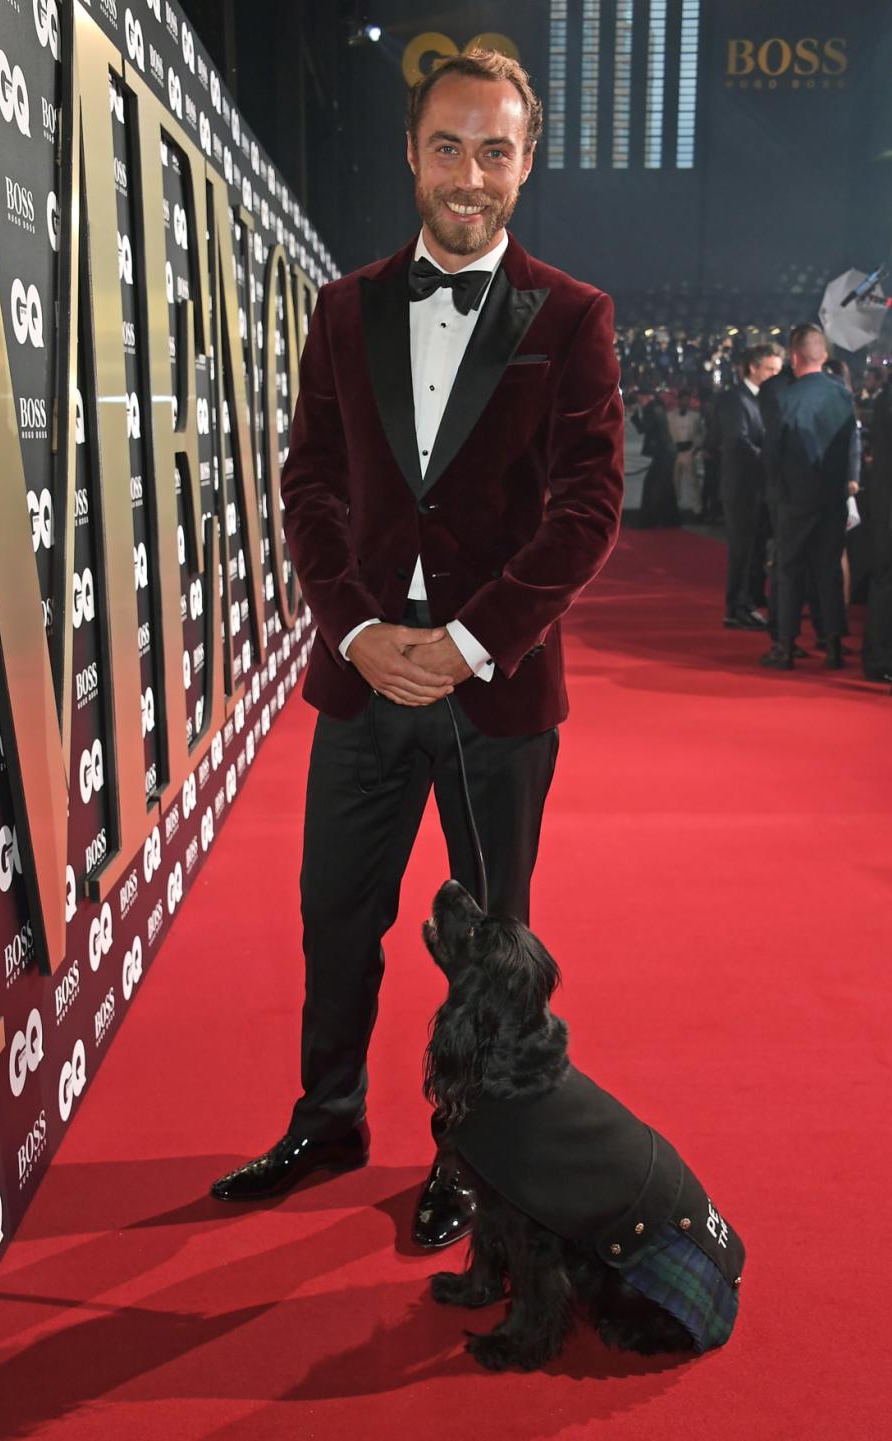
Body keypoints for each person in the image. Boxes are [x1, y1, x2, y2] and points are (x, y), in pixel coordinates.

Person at [209, 50, 624, 1248]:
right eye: (448, 146)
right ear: (411, 153)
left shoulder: (576, 316)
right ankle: (328, 1116)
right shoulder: (343, 309)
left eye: (495, 150)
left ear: (526, 162)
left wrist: (464, 643)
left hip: (496, 692)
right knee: (336, 914)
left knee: (493, 944)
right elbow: (313, 485)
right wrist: (357, 627)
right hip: (360, 679)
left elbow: (586, 511)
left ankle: (474, 1153)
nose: (469, 174)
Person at [760, 325, 855, 670]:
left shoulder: (786, 397)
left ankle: (784, 646)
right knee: (828, 569)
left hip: (794, 498)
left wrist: (777, 490)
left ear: (794, 356)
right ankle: (832, 645)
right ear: (824, 356)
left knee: (787, 570)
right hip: (832, 497)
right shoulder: (842, 394)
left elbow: (772, 453)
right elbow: (849, 443)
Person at [717, 344, 783, 629]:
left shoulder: (762, 399)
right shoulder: (735, 399)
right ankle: (736, 607)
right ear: (753, 367)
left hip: (759, 488)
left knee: (755, 548)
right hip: (741, 487)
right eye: (770, 370)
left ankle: (750, 600)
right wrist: (770, 458)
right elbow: (738, 442)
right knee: (742, 550)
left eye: (777, 371)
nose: (774, 376)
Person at [861, 332, 892, 681]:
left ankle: (882, 658)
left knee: (888, 581)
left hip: (888, 500)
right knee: (890, 582)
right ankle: (882, 660)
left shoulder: (890, 394)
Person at [633, 394, 679, 526]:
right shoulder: (659, 407)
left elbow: (644, 428)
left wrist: (635, 417)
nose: (639, 400)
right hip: (667, 451)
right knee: (666, 486)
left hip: (661, 452)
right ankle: (670, 519)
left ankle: (649, 519)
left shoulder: (650, 409)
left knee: (651, 485)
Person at [667, 389, 703, 513]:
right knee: (675, 481)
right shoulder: (670, 415)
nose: (685, 401)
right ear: (679, 400)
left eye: (687, 399)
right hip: (675, 451)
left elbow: (699, 434)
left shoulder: (695, 416)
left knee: (693, 481)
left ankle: (697, 508)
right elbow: (668, 433)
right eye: (683, 399)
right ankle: (674, 507)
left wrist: (694, 449)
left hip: (688, 450)